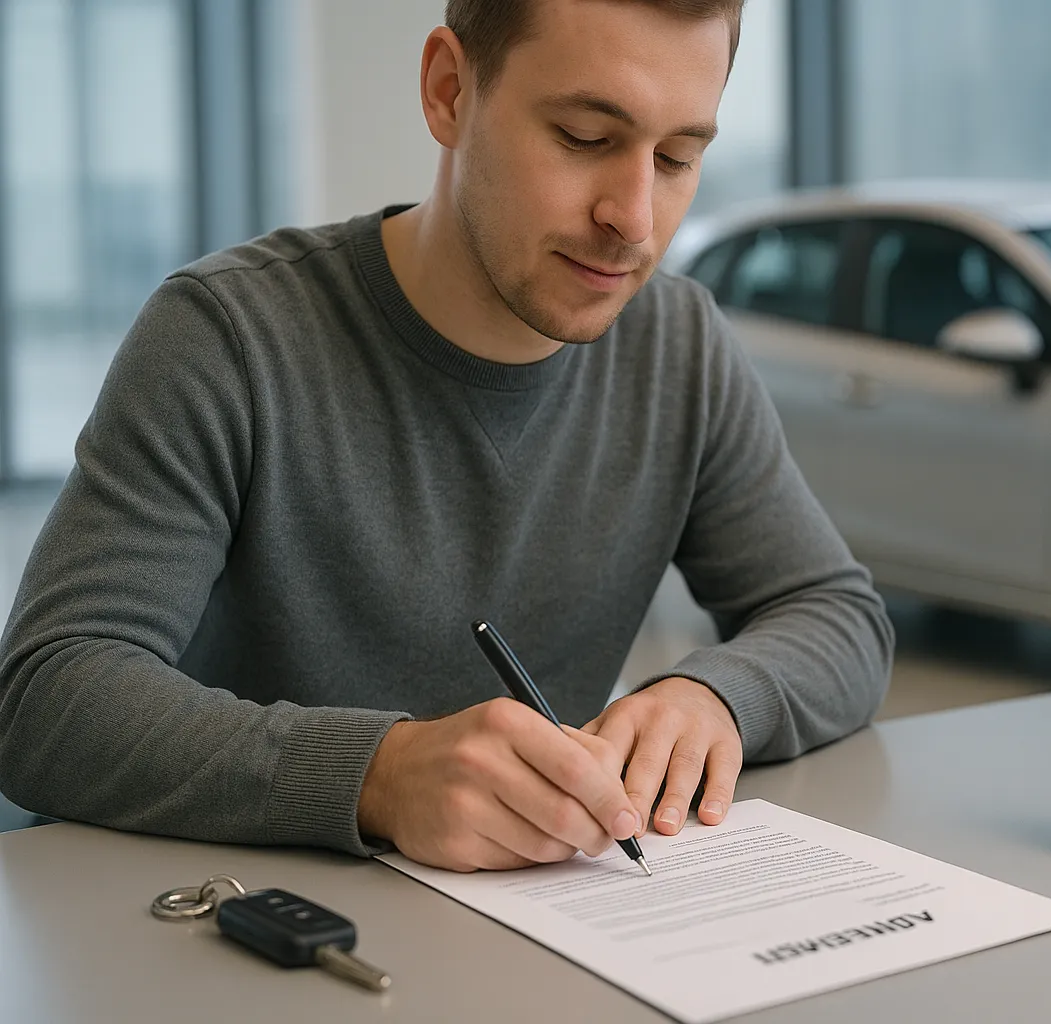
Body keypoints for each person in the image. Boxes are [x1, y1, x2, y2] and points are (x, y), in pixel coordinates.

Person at [0, 0, 892, 873]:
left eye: (677, 156)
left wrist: (717, 697)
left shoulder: (679, 344)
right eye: (585, 137)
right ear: (449, 92)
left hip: (528, 941)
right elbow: (47, 698)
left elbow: (837, 616)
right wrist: (377, 776)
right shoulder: (226, 337)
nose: (636, 217)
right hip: (224, 930)